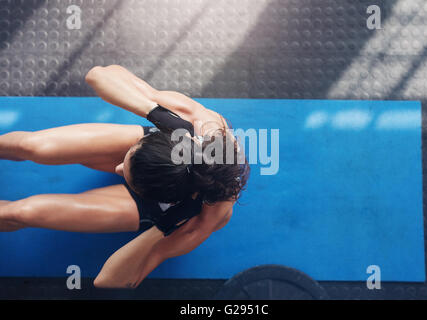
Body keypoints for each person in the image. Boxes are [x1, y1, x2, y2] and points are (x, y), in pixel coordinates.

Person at [0, 65, 249, 288]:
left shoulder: (203, 219)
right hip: (153, 156)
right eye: (125, 163)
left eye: (123, 171)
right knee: (34, 147)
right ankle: (136, 155)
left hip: (150, 204)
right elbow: (99, 74)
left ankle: (140, 175)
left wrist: (163, 227)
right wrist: (155, 112)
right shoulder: (197, 122)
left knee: (22, 213)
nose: (117, 168)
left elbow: (111, 281)